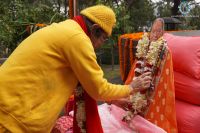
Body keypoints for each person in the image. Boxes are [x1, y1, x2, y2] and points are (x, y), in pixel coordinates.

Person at [0, 5, 151, 133]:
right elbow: (98, 89)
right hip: (12, 115)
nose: (101, 44)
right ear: (95, 29)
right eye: (103, 38)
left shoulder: (68, 28)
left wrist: (113, 99)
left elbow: (87, 82)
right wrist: (131, 87)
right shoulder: (77, 39)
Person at [125, 18, 178, 133]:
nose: (155, 34)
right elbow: (136, 69)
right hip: (139, 85)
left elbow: (166, 76)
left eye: (158, 31)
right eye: (153, 31)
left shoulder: (166, 50)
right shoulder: (144, 45)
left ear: (163, 33)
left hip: (156, 88)